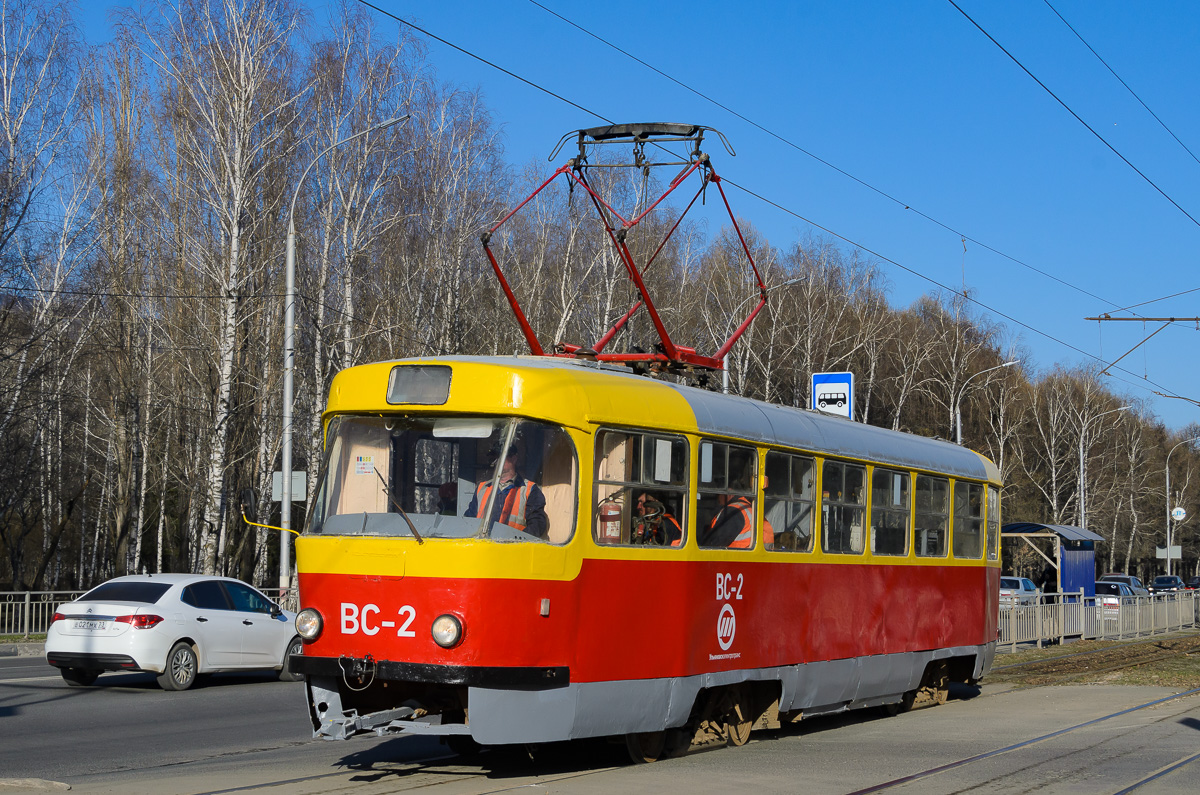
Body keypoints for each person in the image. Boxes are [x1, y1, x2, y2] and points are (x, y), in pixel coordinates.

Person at [465, 449, 548, 538]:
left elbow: (536, 525)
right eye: (494, 457)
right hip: (483, 546)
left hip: (512, 549)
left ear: (514, 459)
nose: (496, 461)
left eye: (500, 456)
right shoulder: (482, 488)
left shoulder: (530, 490)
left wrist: (516, 541)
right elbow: (468, 521)